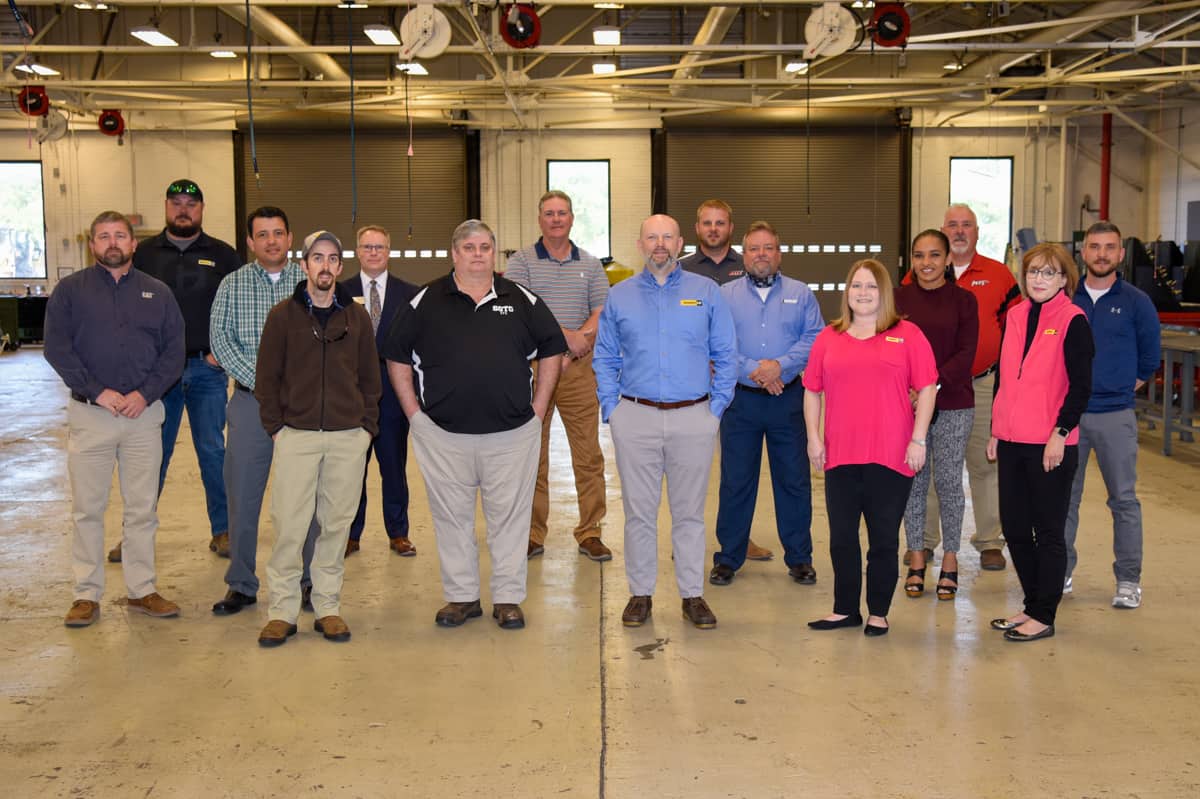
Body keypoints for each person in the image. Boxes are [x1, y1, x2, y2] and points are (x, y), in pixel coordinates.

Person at [383, 220, 566, 630]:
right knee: (452, 520)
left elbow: (553, 347)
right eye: (469, 247)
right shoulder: (424, 301)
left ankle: (507, 599)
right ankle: (462, 597)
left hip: (511, 435)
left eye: (485, 246)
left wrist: (539, 408)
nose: (478, 253)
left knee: (510, 520)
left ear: (493, 253)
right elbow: (395, 355)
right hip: (444, 437)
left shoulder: (520, 299)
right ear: (455, 253)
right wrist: (414, 413)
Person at [594, 214, 737, 630]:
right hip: (634, 416)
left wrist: (716, 409)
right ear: (639, 244)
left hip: (694, 416)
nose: (660, 244)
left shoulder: (706, 291)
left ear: (680, 243)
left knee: (689, 514)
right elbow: (604, 356)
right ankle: (641, 594)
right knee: (639, 514)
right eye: (652, 237)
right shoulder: (620, 296)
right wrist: (612, 409)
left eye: (667, 237)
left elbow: (726, 352)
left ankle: (692, 595)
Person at [44, 211, 185, 627]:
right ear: (92, 245)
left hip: (143, 416)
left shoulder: (157, 293)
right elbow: (57, 348)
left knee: (142, 508)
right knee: (88, 508)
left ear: (133, 243)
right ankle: (86, 594)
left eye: (119, 235)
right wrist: (96, 391)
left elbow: (174, 351)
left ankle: (142, 590)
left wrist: (145, 394)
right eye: (103, 236)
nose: (112, 243)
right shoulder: (70, 292)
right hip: (92, 415)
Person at [254, 231, 379, 647]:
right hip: (297, 436)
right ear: (304, 265)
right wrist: (277, 428)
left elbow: (370, 379)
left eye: (332, 259)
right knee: (289, 525)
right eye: (316, 258)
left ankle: (327, 607)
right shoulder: (282, 317)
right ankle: (283, 612)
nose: (325, 266)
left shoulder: (356, 318)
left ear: (341, 268)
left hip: (347, 438)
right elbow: (266, 379)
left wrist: (365, 429)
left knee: (336, 526)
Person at [803, 259, 938, 637]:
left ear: (885, 293)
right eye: (856, 286)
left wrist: (919, 438)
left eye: (871, 287)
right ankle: (845, 609)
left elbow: (927, 387)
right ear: (848, 292)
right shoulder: (829, 337)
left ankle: (878, 611)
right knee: (842, 537)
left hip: (892, 454)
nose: (863, 293)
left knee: (882, 538)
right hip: (841, 454)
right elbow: (812, 390)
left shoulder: (907, 334)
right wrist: (814, 437)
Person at [109, 179, 240, 563]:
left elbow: (236, 306)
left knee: (213, 452)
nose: (184, 209)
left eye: (191, 204)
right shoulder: (144, 254)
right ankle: (135, 536)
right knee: (151, 455)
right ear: (166, 206)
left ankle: (223, 530)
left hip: (206, 370)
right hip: (154, 377)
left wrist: (224, 353)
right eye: (177, 202)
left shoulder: (223, 255)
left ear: (202, 209)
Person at [208, 207, 319, 617]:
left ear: (291, 239)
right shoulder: (232, 285)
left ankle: (310, 582)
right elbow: (220, 339)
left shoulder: (310, 283)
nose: (271, 241)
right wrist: (265, 382)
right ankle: (241, 583)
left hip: (303, 407)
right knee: (243, 494)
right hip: (250, 404)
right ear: (250, 242)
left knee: (306, 499)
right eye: (262, 235)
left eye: (278, 233)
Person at [709, 221, 824, 588]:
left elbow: (815, 339)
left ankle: (800, 558)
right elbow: (718, 342)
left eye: (769, 248)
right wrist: (756, 371)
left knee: (793, 481)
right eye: (755, 248)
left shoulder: (802, 294)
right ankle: (728, 557)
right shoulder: (725, 295)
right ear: (744, 254)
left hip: (787, 399)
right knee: (736, 481)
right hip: (740, 401)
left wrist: (781, 367)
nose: (762, 254)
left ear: (779, 252)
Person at [906, 204, 1020, 571]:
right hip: (921, 391)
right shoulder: (911, 281)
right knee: (928, 465)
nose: (959, 231)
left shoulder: (1000, 275)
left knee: (983, 464)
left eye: (966, 225)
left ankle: (989, 541)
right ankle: (923, 542)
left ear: (976, 231)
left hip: (981, 385)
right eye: (952, 225)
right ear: (942, 230)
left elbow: (1017, 327)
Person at [988, 243, 1093, 642]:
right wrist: (998, 429)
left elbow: (1081, 387)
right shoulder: (1015, 315)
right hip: (1012, 440)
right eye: (1033, 272)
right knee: (1015, 529)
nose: (1039, 279)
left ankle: (1044, 614)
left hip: (1051, 443)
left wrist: (1060, 435)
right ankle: (1033, 605)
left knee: (1048, 532)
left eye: (1049, 273)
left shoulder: (1073, 320)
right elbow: (1004, 377)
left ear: (1065, 279)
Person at [505, 190, 612, 562]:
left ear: (571, 219)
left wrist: (570, 348)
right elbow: (518, 311)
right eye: (548, 213)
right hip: (532, 371)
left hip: (580, 371)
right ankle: (532, 533)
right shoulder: (521, 262)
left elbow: (601, 312)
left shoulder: (591, 263)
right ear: (540, 220)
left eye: (561, 213)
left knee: (588, 455)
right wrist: (561, 341)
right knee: (532, 455)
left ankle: (590, 530)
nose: (555, 219)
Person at [1064, 222, 1159, 609]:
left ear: (1121, 254)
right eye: (1094, 246)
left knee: (1123, 499)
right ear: (1083, 253)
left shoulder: (1136, 302)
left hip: (1114, 415)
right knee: (1063, 500)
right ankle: (1061, 572)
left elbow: (1149, 358)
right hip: (1068, 417)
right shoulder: (1065, 299)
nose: (1101, 254)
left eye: (1109, 248)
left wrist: (1116, 388)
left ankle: (1128, 580)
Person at [678, 198, 772, 562]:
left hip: (737, 383)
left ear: (731, 228)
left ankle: (737, 540)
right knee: (688, 467)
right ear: (697, 228)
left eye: (720, 223)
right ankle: (687, 540)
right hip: (691, 382)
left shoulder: (748, 264)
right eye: (707, 223)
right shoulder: (682, 269)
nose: (713, 229)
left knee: (738, 470)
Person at [895, 230, 979, 600]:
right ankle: (916, 556)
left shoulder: (964, 300)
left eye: (934, 255)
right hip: (905, 406)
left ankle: (949, 559)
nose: (926, 263)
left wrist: (930, 386)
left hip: (953, 402)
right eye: (918, 255)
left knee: (948, 484)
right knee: (912, 483)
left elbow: (966, 352)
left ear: (948, 259)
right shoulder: (897, 299)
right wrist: (908, 392)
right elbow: (889, 348)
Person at [341, 225, 419, 558]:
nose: (373, 252)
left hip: (392, 396)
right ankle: (350, 533)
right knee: (351, 470)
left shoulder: (410, 293)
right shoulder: (340, 293)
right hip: (351, 397)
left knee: (394, 467)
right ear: (357, 251)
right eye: (367, 247)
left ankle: (398, 532)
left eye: (380, 247)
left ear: (389, 251)